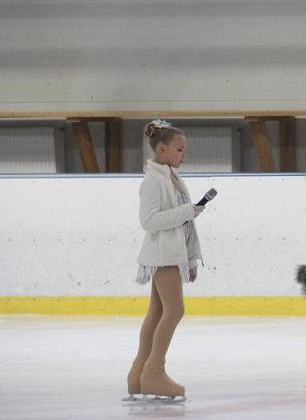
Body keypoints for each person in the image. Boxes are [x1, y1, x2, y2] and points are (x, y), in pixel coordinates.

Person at [125, 120, 204, 401]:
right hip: (162, 255)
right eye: (180, 149)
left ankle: (139, 374)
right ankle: (154, 372)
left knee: (158, 312)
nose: (184, 154)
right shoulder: (153, 180)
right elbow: (149, 221)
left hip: (172, 254)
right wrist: (186, 211)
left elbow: (185, 225)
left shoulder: (172, 177)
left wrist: (192, 259)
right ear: (161, 150)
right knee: (174, 310)